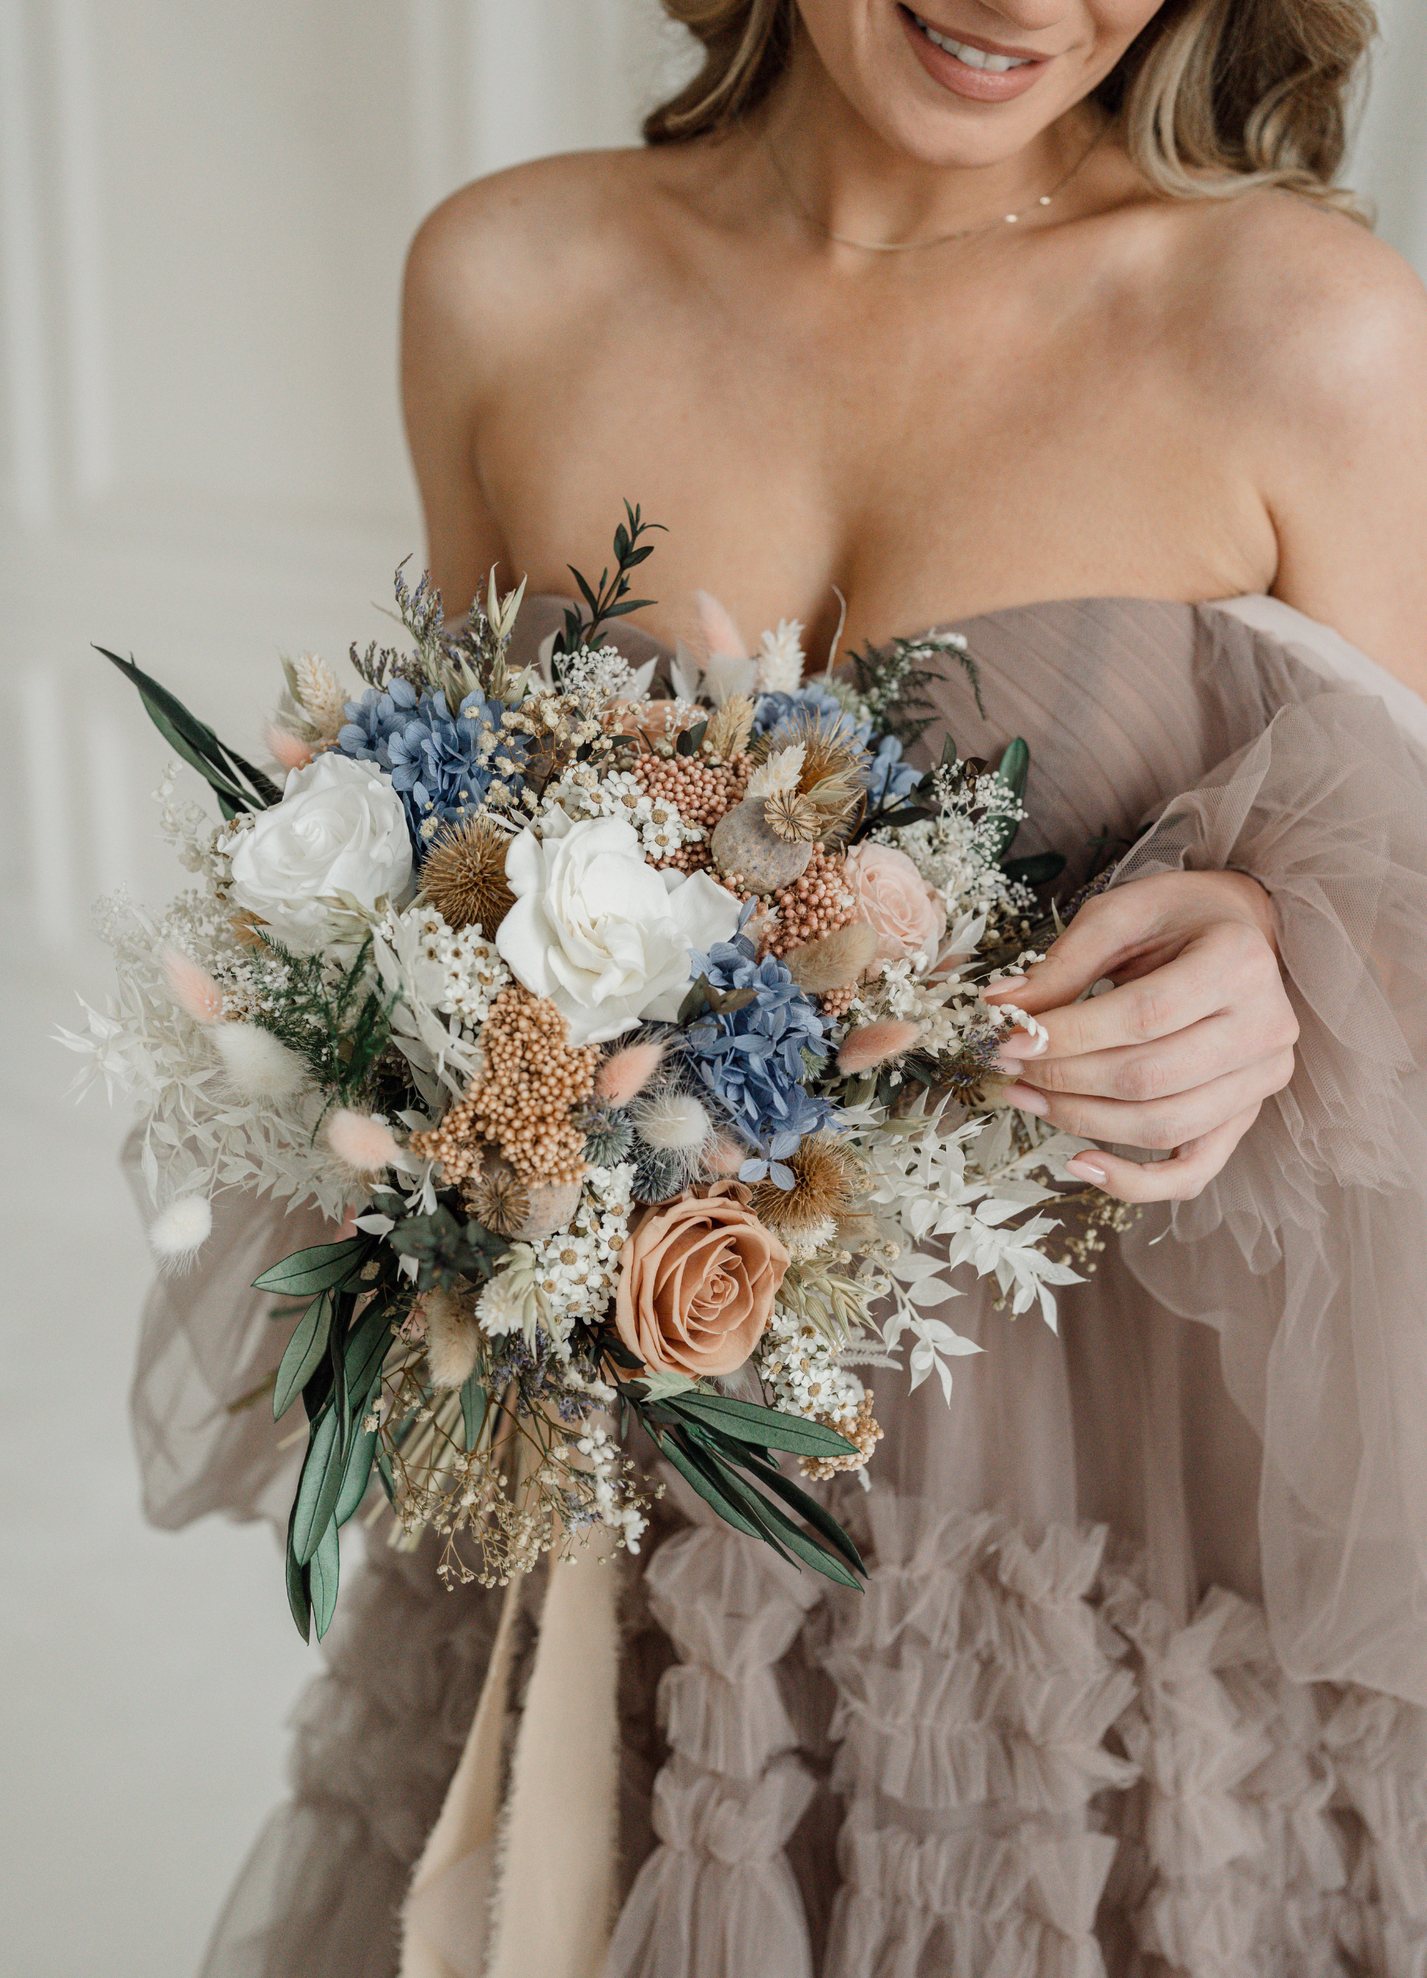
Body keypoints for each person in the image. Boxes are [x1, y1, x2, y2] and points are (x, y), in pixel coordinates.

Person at [183, 2, 1427, 1973]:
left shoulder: (1300, 326)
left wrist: (1293, 963)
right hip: (632, 1505)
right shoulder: (509, 278)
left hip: (1092, 1570)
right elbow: (449, 872)